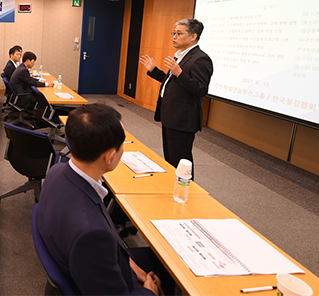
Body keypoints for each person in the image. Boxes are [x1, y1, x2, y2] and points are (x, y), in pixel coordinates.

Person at [38, 103, 171, 296]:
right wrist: (149, 292)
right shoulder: (91, 235)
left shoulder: (57, 171)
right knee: (172, 266)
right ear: (109, 156)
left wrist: (131, 265)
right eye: (122, 145)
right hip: (95, 276)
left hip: (92, 263)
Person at [139, 18, 213, 174]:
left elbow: (201, 89)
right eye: (174, 33)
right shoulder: (180, 56)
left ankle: (186, 193)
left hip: (183, 119)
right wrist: (154, 70)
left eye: (179, 33)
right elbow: (171, 82)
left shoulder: (200, 59)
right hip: (171, 116)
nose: (174, 37)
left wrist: (180, 73)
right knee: (171, 159)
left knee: (181, 161)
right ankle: (171, 190)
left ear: (193, 36)